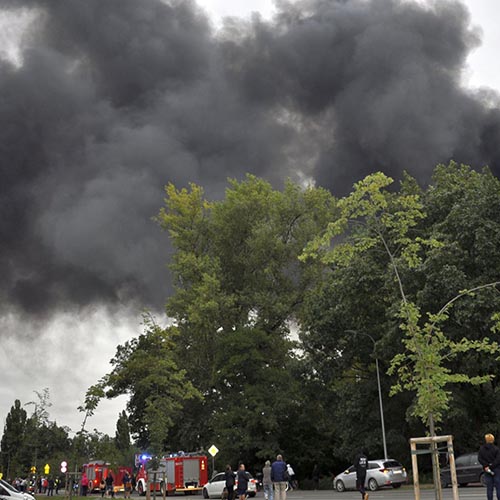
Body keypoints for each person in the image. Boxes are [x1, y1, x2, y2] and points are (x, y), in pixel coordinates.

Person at [478, 433, 500, 500]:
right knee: (498, 487)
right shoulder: (496, 449)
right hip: (496, 469)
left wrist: (486, 465)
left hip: (486, 470)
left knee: (489, 488)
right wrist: (492, 465)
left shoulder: (481, 449)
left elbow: (480, 459)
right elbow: (498, 460)